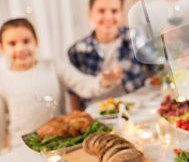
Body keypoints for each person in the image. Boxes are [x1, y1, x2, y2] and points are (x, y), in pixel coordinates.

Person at [0, 18, 123, 151]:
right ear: (2, 47)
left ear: (36, 41)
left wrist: (102, 81)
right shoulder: (2, 80)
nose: (20, 48)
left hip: (60, 146)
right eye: (12, 43)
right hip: (21, 149)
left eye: (26, 41)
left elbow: (83, 84)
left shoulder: (54, 66)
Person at [67, 0, 157, 111]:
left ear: (121, 14)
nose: (108, 17)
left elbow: (157, 65)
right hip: (96, 110)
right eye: (101, 11)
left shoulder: (133, 37)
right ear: (90, 14)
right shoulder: (77, 50)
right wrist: (77, 116)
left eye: (114, 11)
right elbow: (73, 90)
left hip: (134, 106)